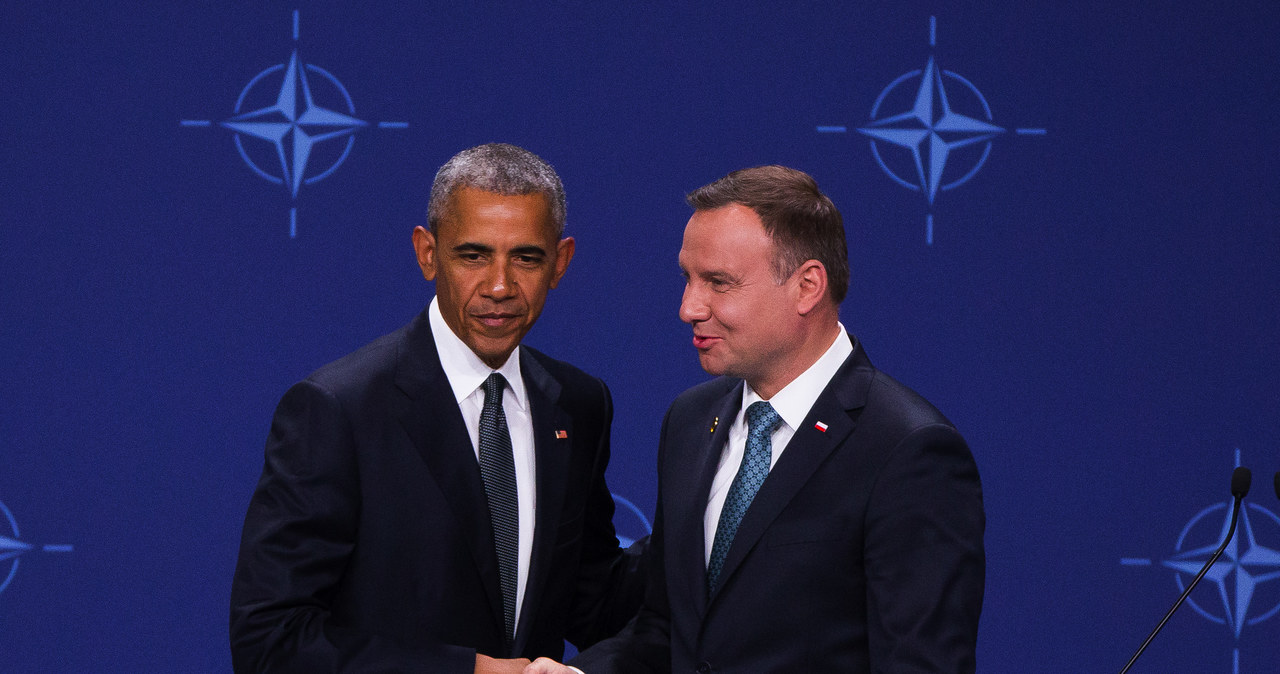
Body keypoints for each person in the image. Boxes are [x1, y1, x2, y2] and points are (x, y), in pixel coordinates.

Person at [527, 165, 985, 673]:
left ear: (808, 285)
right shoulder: (689, 421)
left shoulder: (908, 451)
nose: (688, 308)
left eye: (718, 283)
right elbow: (666, 629)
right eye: (688, 278)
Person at [230, 143, 643, 674]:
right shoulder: (338, 410)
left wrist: (710, 521)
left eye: (526, 258)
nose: (500, 286)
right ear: (427, 253)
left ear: (560, 263)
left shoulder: (579, 404)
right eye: (473, 255)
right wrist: (471, 672)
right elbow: (270, 641)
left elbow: (592, 603)